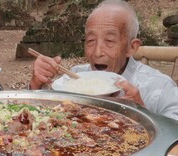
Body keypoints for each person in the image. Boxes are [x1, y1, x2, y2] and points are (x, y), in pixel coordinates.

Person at [29, 0, 178, 120]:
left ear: (131, 47)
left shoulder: (160, 87)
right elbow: (41, 115)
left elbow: (173, 135)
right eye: (91, 40)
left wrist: (142, 112)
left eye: (109, 41)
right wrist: (36, 84)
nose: (97, 52)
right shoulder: (73, 79)